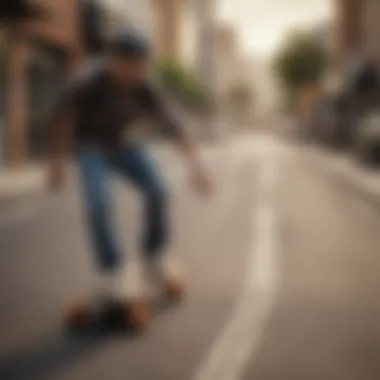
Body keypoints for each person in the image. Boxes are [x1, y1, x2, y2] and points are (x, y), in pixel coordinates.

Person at [46, 31, 212, 326]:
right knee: (99, 203)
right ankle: (116, 271)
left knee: (159, 190)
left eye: (139, 65)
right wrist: (57, 163)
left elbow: (175, 127)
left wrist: (196, 168)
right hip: (92, 147)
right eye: (127, 65)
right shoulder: (90, 81)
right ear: (114, 61)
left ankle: (154, 257)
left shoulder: (145, 88)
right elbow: (63, 116)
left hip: (126, 145)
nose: (133, 72)